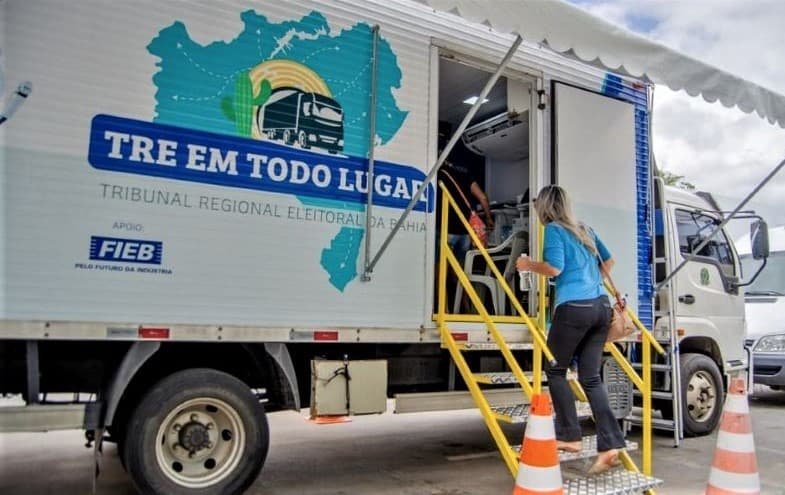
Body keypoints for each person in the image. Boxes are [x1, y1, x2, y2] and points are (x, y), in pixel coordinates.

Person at [515, 184, 625, 475]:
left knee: (555, 370)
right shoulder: (584, 228)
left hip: (573, 309)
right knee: (590, 378)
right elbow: (610, 261)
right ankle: (611, 444)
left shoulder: (553, 230)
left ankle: (569, 436)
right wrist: (589, 283)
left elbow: (554, 269)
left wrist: (526, 264)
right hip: (600, 307)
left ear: (546, 208)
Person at [436, 159, 493, 263]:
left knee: (441, 265)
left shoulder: (438, 174)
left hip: (446, 228)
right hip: (466, 230)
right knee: (461, 265)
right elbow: (483, 198)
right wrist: (489, 218)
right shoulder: (465, 173)